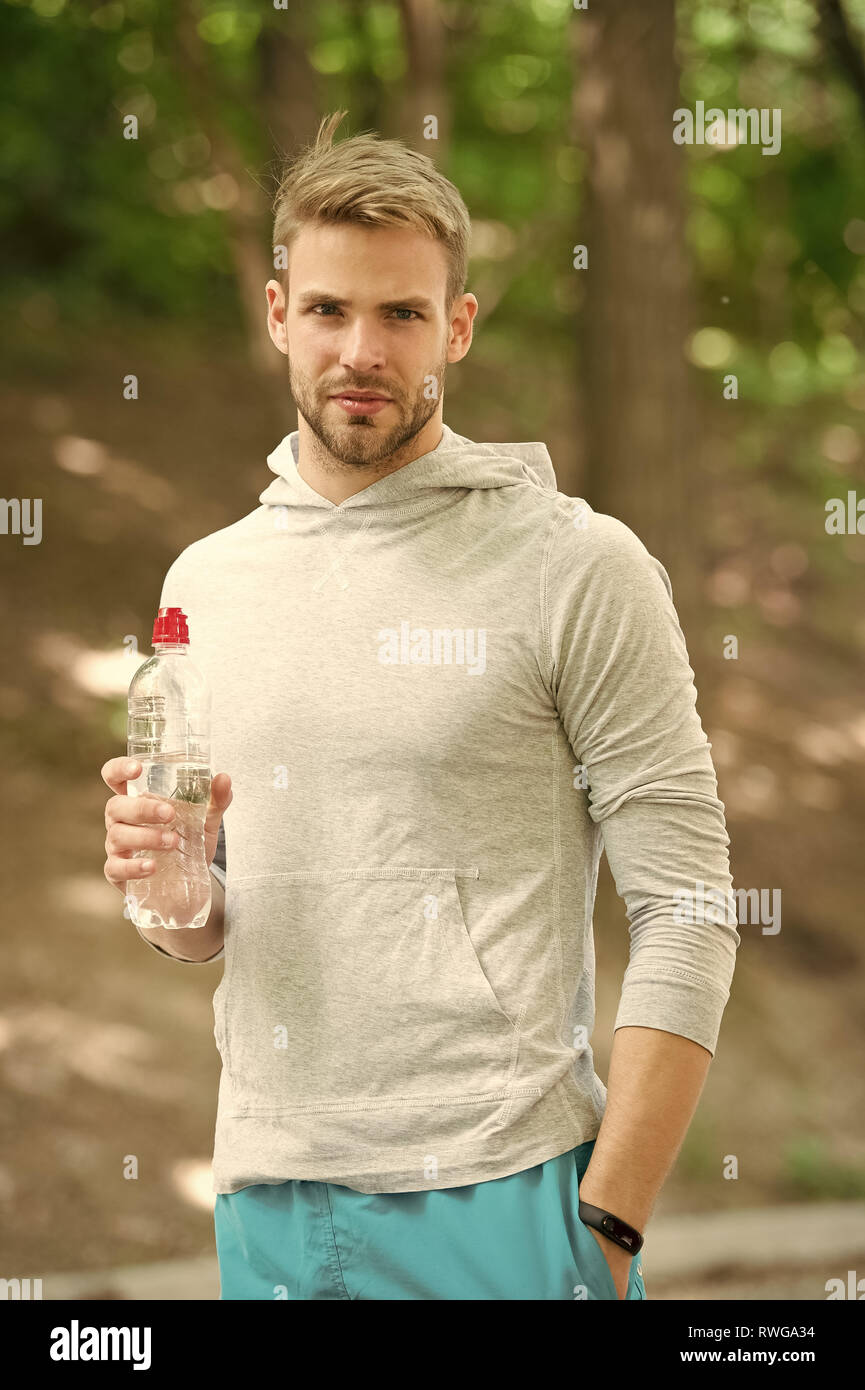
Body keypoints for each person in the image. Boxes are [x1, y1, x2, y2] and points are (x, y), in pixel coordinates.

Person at [102, 110, 740, 1301]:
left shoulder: (575, 564)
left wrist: (605, 1225)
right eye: (332, 309)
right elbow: (209, 922)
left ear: (455, 326)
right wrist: (171, 888)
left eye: (401, 313)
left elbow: (691, 904)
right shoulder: (207, 584)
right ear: (280, 313)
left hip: (502, 1197)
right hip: (269, 1194)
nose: (363, 349)